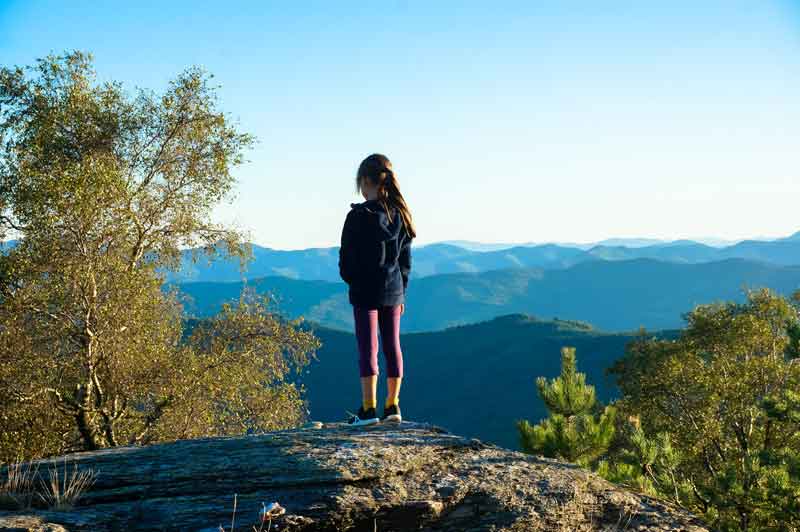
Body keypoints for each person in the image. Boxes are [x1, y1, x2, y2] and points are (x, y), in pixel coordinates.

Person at [338, 153, 416, 426]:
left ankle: (368, 410)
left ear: (365, 181)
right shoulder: (401, 216)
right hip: (394, 291)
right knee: (393, 346)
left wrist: (353, 280)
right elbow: (405, 262)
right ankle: (392, 406)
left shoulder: (357, 216)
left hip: (364, 292)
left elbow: (346, 260)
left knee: (367, 347)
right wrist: (401, 291)